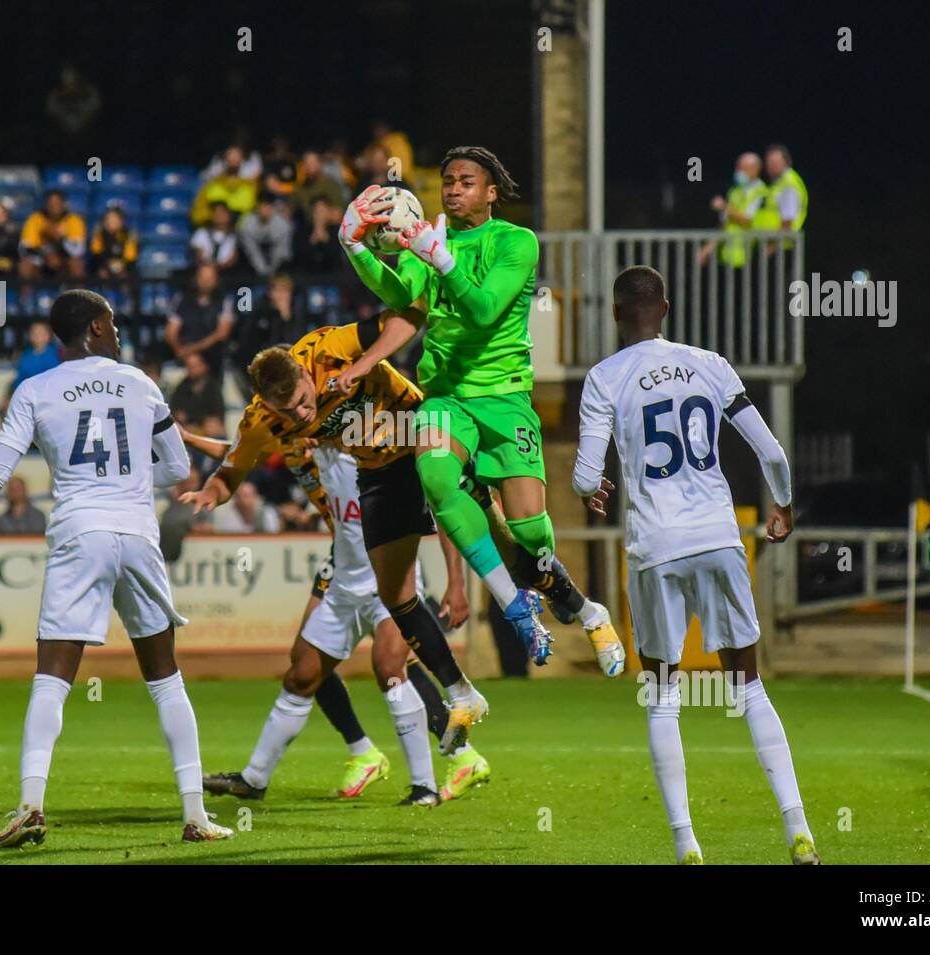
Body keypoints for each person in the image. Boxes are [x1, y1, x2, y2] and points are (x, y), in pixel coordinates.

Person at [0, 289, 231, 845]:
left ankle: (31, 803)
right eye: (114, 323)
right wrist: (127, 477)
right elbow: (177, 466)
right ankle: (195, 815)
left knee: (52, 679)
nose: (119, 331)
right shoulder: (141, 383)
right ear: (96, 326)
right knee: (166, 680)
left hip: (81, 531)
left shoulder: (35, 389)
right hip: (138, 535)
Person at [336, 145, 624, 675]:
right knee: (437, 477)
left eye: (466, 181)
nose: (452, 189)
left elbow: (486, 309)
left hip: (505, 397)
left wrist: (439, 257)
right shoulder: (427, 243)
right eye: (447, 181)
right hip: (446, 395)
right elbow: (403, 302)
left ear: (491, 193)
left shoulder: (515, 241)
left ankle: (585, 608)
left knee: (530, 536)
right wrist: (356, 249)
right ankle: (516, 606)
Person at [573, 264, 818, 865]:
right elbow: (772, 452)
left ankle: (687, 844)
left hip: (655, 547)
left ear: (614, 314)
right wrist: (781, 506)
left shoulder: (604, 377)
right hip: (716, 536)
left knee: (661, 696)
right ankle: (799, 832)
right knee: (750, 688)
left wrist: (592, 489)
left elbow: (584, 474)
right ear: (667, 306)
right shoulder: (710, 364)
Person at [180, 317, 491, 754]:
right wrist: (212, 491)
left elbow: (404, 318)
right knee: (316, 660)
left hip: (414, 451)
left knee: (391, 661)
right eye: (288, 413)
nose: (302, 417)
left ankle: (443, 760)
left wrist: (366, 363)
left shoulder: (333, 357)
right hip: (357, 524)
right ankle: (385, 741)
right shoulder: (271, 426)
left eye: (304, 405)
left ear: (307, 374)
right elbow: (234, 460)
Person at [184, 427, 491, 802]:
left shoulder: (389, 450)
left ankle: (425, 784)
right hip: (344, 580)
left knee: (390, 669)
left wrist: (456, 582)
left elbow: (444, 505)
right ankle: (256, 779)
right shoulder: (305, 441)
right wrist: (182, 435)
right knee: (301, 674)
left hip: (391, 581)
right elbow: (240, 450)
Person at [230, 274, 308, 401]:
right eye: (278, 290)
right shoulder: (259, 313)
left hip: (289, 372)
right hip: (263, 372)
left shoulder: (297, 315)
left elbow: (298, 343)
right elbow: (247, 344)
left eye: (285, 291)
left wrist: (286, 317)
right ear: (271, 293)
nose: (282, 296)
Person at [163, 263, 235, 380]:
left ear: (216, 280)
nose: (206, 282)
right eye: (203, 278)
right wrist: (180, 351)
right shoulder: (182, 299)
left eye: (210, 278)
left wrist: (192, 350)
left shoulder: (225, 301)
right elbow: (171, 332)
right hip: (184, 355)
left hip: (211, 355)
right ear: (196, 279)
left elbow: (222, 333)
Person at [697, 152, 767, 267]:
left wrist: (724, 207)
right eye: (738, 167)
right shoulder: (734, 191)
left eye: (744, 168)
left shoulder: (761, 192)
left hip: (751, 259)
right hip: (728, 258)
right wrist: (708, 248)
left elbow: (747, 220)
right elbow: (725, 225)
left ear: (756, 169)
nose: (739, 171)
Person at [19, 190, 86, 280]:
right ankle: (26, 294)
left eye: (57, 203)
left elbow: (78, 250)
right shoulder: (35, 219)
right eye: (51, 203)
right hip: (41, 258)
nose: (54, 206)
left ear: (63, 204)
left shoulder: (74, 220)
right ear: (46, 205)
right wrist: (46, 254)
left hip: (64, 258)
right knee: (25, 265)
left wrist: (61, 240)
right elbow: (25, 248)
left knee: (76, 265)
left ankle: (75, 294)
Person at [753, 144, 808, 252]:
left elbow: (788, 219)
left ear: (786, 162)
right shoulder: (778, 183)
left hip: (782, 248)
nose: (771, 166)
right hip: (776, 244)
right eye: (769, 163)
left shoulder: (789, 183)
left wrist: (771, 248)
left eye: (775, 162)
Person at [2, 320, 61, 417]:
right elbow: (19, 378)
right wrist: (8, 397)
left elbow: (52, 381)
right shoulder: (26, 355)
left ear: (48, 336)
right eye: (34, 333)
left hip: (44, 401)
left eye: (41, 333)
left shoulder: (52, 356)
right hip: (25, 398)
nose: (37, 335)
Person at [169, 349, 225, 437]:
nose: (191, 369)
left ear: (204, 366)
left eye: (194, 366)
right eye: (189, 366)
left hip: (206, 429)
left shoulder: (212, 386)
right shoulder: (183, 386)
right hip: (187, 429)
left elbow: (217, 413)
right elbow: (176, 410)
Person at [238, 192, 293, 277]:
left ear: (273, 207)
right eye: (262, 205)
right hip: (253, 267)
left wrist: (272, 271)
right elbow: (251, 251)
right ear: (257, 206)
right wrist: (263, 270)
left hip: (278, 267)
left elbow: (282, 251)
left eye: (268, 205)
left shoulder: (283, 224)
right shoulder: (247, 224)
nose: (264, 209)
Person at [88, 206, 139, 279]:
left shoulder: (129, 235)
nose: (110, 222)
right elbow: (96, 253)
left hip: (123, 266)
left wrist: (121, 269)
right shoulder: (99, 234)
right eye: (108, 219)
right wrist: (104, 267)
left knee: (128, 274)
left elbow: (130, 257)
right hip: (104, 265)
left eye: (114, 219)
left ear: (121, 221)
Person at [190, 201, 239, 273]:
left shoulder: (236, 236)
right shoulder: (201, 233)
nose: (219, 216)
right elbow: (198, 256)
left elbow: (234, 258)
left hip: (228, 273)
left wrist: (220, 268)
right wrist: (210, 268)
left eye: (222, 212)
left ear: (229, 215)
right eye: (216, 212)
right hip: (205, 271)